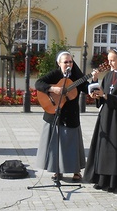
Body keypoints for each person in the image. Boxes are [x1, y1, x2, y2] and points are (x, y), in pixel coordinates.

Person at [84, 48, 117, 192]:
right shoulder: (108, 75)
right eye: (109, 60)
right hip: (106, 116)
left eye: (113, 60)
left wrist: (105, 95)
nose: (110, 63)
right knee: (103, 149)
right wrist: (96, 89)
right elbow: (102, 95)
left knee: (115, 150)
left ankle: (114, 182)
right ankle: (101, 180)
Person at [35, 51, 89, 182]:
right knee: (55, 145)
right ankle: (57, 170)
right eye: (65, 62)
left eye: (70, 61)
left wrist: (94, 80)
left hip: (71, 115)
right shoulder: (55, 75)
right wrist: (52, 89)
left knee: (72, 144)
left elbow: (86, 88)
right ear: (59, 63)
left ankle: (76, 171)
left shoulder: (77, 75)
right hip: (54, 114)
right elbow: (38, 83)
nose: (68, 64)